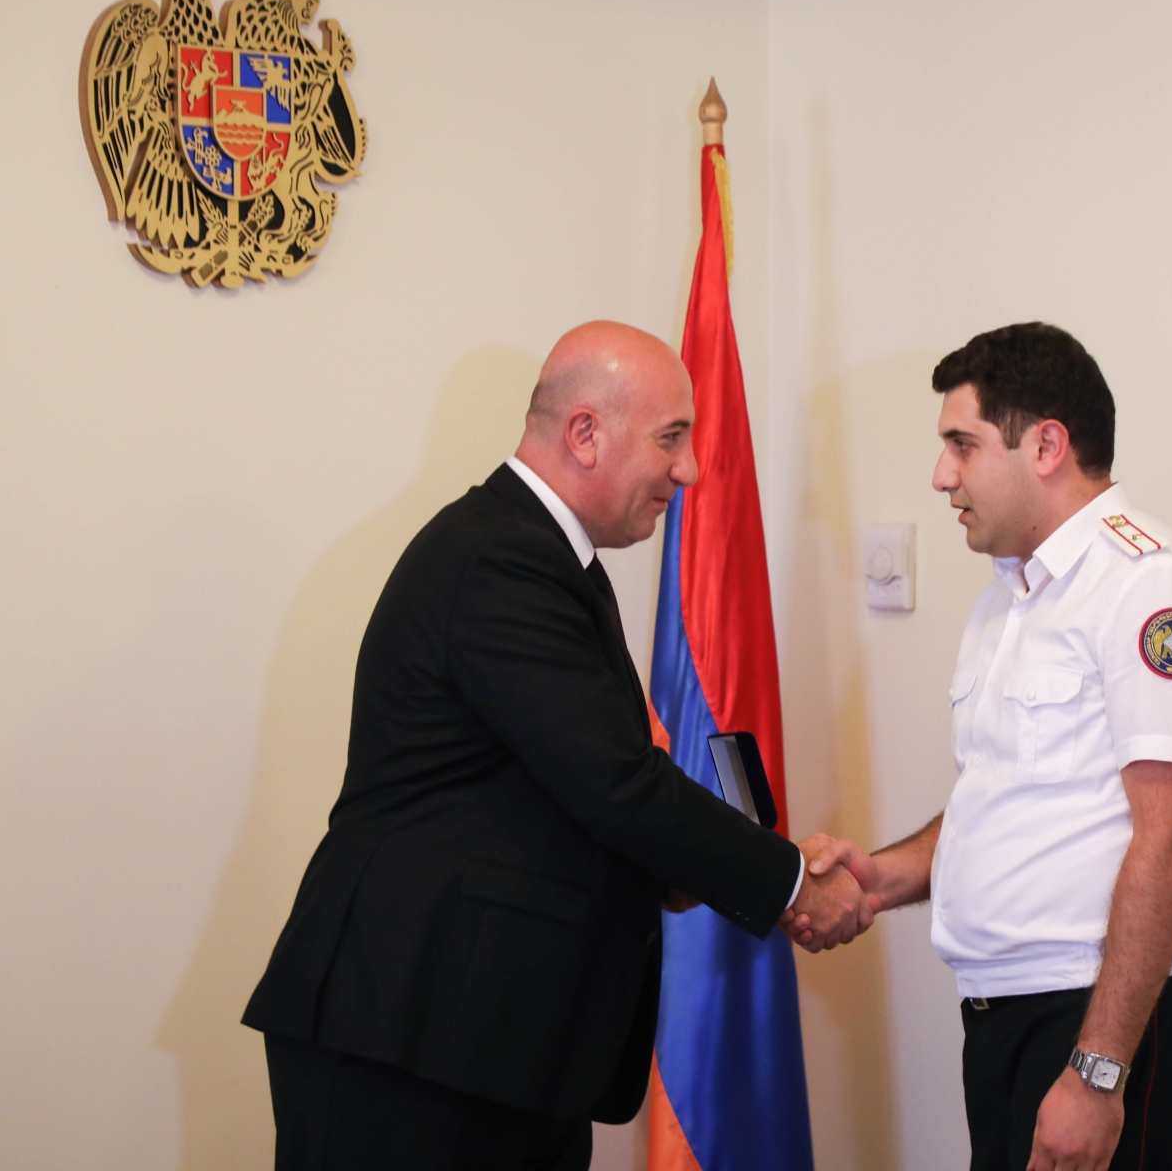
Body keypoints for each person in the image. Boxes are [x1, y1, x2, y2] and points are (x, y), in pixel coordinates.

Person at [243, 321, 872, 1171]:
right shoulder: (501, 558)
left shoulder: (543, 556)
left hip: (490, 1041)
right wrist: (793, 881)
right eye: (671, 438)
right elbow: (617, 784)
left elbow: (554, 791)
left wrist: (676, 872)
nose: (690, 469)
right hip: (409, 1034)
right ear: (584, 433)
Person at [791, 323, 1172, 1171]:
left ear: (1046, 445)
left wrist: (1098, 1075)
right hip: (1009, 1018)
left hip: (1104, 1025)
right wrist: (877, 878)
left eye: (961, 445)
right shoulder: (1012, 596)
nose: (941, 475)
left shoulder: (1151, 588)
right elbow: (1007, 803)